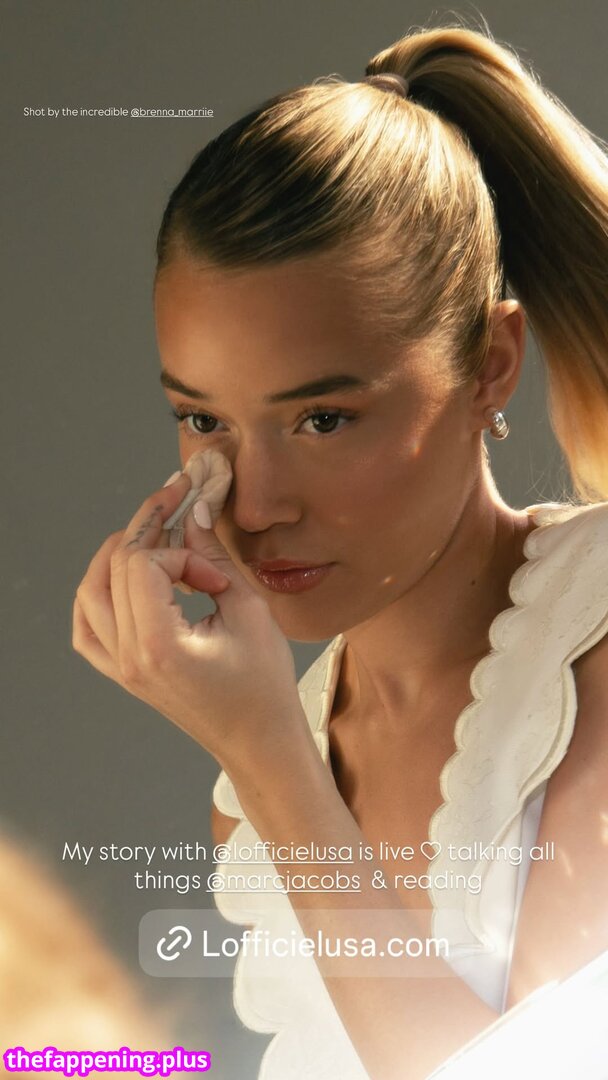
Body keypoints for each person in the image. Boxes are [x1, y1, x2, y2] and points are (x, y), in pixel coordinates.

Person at [72, 20, 608, 1080]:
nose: (253, 503)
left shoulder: (592, 657)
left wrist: (268, 760)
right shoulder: (264, 775)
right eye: (203, 420)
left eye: (320, 419)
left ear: (491, 366)